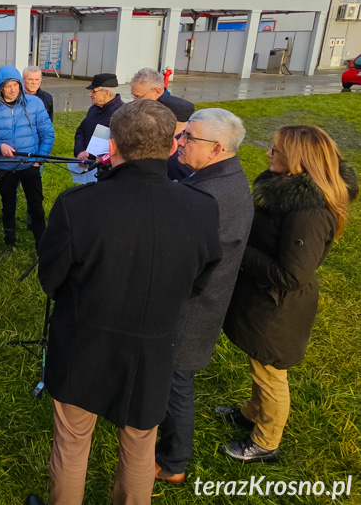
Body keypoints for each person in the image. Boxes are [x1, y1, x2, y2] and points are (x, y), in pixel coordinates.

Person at [38, 99, 222, 505]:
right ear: (172, 146)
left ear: (114, 145)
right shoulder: (202, 208)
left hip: (83, 342)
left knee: (72, 443)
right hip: (152, 347)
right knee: (140, 444)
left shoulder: (77, 205)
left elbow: (50, 279)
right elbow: (201, 278)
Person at [220, 125, 358, 463]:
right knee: (259, 364)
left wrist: (240, 250)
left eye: (276, 151)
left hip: (277, 308)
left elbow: (292, 275)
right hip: (263, 300)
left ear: (299, 161)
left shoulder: (308, 212)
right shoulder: (285, 192)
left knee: (270, 374)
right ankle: (253, 412)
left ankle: (267, 442)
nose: (268, 153)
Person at [154, 109, 254, 484]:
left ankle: (173, 462)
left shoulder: (211, 195)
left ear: (215, 148)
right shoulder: (223, 176)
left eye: (187, 138)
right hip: (200, 300)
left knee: (176, 381)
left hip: (193, 307)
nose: (179, 143)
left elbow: (192, 263)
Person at [0, 65, 55, 261]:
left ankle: (42, 246)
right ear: (0, 88)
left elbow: (48, 133)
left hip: (30, 165)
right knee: (8, 207)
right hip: (5, 168)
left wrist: (39, 159)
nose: (13, 89)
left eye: (16, 85)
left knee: (36, 207)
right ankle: (9, 243)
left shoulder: (35, 104)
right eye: (8, 86)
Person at [73, 73, 124, 159]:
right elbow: (81, 131)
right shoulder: (93, 109)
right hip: (86, 164)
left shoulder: (123, 114)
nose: (90, 95)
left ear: (106, 93)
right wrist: (80, 151)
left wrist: (90, 157)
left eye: (94, 91)